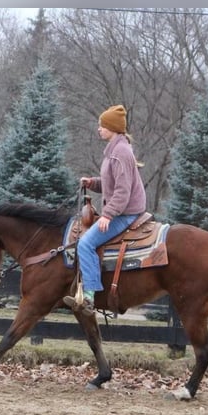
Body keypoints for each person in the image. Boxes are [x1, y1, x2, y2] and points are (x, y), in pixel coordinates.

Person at [64, 104, 147, 316]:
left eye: (102, 125)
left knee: (85, 244)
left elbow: (122, 191)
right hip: (122, 209)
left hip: (126, 212)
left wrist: (108, 215)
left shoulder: (120, 153)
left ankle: (89, 296)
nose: (99, 129)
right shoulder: (115, 150)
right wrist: (92, 183)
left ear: (112, 127)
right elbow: (111, 184)